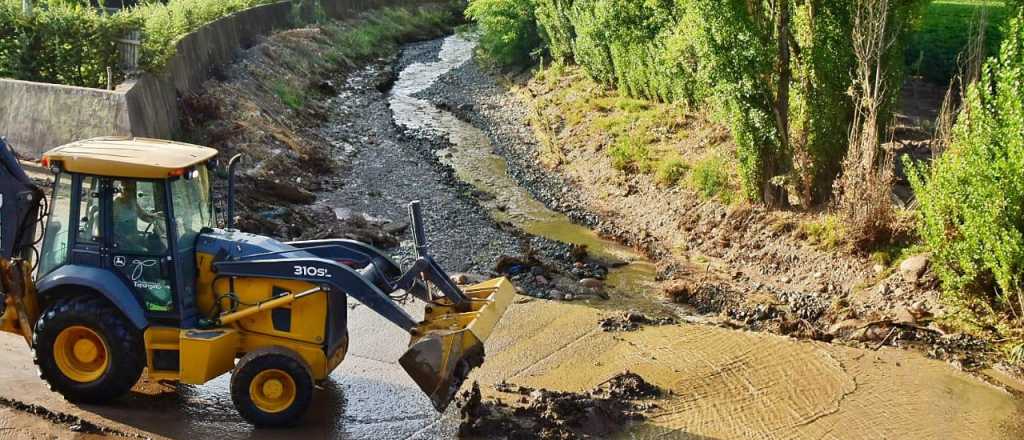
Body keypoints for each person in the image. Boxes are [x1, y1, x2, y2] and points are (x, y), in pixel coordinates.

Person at [112, 180, 166, 254]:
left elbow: (143, 215)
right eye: (127, 189)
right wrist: (127, 238)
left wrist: (156, 216)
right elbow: (113, 226)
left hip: (134, 236)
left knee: (156, 245)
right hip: (123, 240)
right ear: (121, 190)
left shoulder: (132, 201)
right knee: (143, 252)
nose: (130, 192)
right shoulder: (116, 203)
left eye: (131, 190)